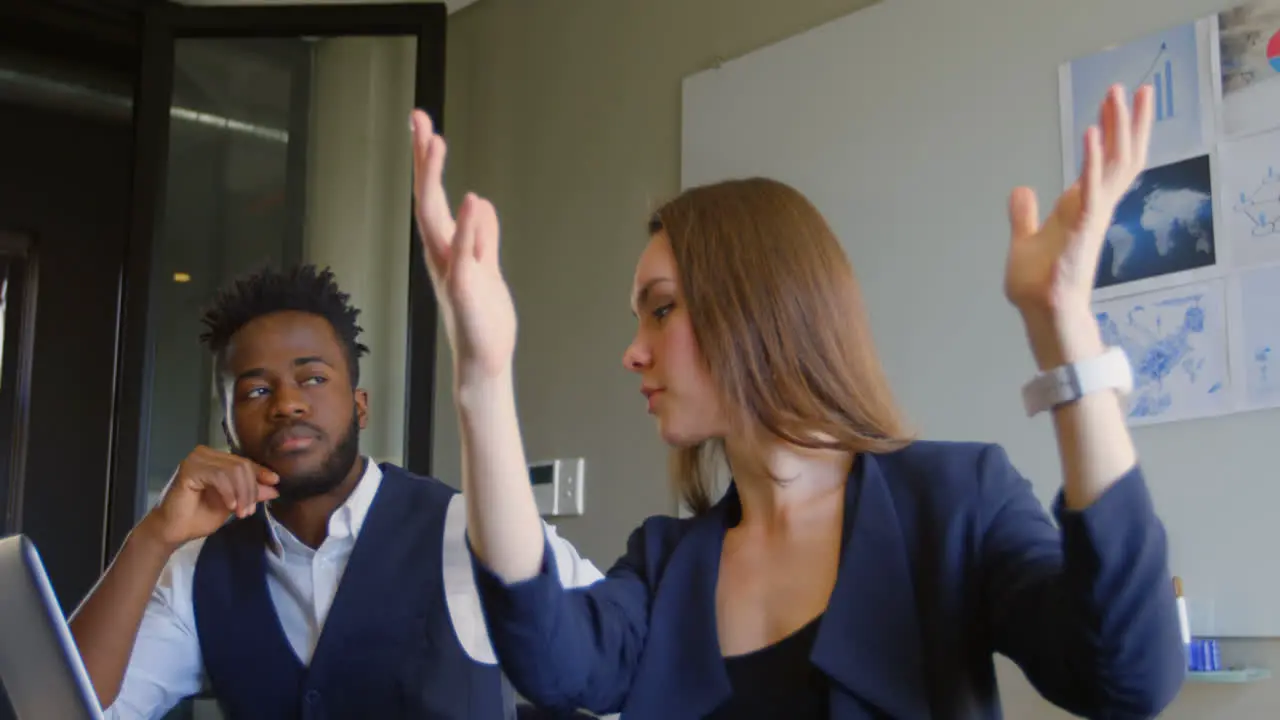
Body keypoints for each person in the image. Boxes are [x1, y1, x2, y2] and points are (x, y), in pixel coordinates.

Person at [408, 82, 1186, 719]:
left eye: (663, 307)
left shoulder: (955, 503)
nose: (633, 350)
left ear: (757, 304)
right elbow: (549, 657)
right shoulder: (665, 565)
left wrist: (1063, 329)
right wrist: (483, 373)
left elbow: (1127, 677)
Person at [67, 264, 604, 719]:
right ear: (229, 429)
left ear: (361, 405)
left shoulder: (473, 533)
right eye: (256, 390)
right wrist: (154, 537)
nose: (287, 404)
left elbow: (628, 672)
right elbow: (70, 711)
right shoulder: (198, 572)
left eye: (314, 378)